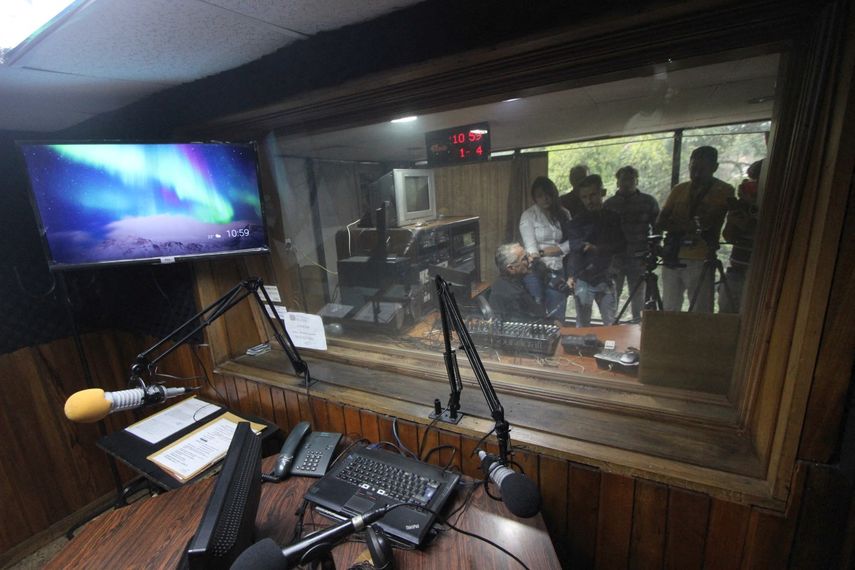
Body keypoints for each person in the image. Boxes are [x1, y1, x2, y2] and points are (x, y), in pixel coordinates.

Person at [655, 146, 735, 313]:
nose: (697, 174)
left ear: (714, 167)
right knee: (669, 309)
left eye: (702, 169)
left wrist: (678, 223)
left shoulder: (724, 190)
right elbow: (660, 222)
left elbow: (709, 221)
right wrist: (687, 225)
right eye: (693, 168)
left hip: (701, 258)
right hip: (673, 255)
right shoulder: (679, 189)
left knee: (701, 310)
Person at [565, 175, 625, 327]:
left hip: (607, 276)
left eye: (592, 195)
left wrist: (597, 249)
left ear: (602, 193)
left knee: (610, 323)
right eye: (584, 197)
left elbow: (621, 245)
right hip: (584, 278)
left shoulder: (613, 218)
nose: (589, 201)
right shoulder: (576, 222)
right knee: (582, 324)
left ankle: (611, 351)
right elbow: (574, 250)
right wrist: (571, 275)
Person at [603, 165, 660, 322]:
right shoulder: (609, 204)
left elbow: (657, 228)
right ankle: (610, 327)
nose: (626, 183)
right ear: (617, 182)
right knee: (613, 295)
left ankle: (639, 328)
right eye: (623, 179)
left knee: (638, 298)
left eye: (630, 179)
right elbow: (603, 233)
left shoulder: (648, 202)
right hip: (616, 259)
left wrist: (654, 252)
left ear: (637, 180)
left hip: (639, 258)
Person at [519, 176, 572, 321]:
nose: (545, 199)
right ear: (534, 198)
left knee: (558, 314)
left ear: (554, 194)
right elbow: (531, 250)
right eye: (540, 196)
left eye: (548, 194)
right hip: (535, 271)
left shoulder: (564, 213)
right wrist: (544, 253)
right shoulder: (528, 215)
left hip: (558, 268)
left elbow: (572, 242)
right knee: (536, 315)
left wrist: (553, 250)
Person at [719, 159, 762, 313]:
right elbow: (728, 236)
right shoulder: (742, 206)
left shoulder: (777, 205)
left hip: (759, 275)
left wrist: (750, 223)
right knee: (725, 315)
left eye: (756, 182)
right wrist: (734, 219)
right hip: (736, 269)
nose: (752, 185)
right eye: (751, 181)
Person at [488, 243, 544, 321]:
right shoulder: (511, 295)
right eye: (524, 259)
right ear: (511, 268)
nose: (531, 259)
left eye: (528, 255)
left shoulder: (516, 282)